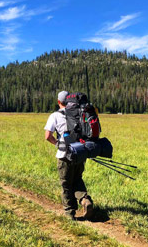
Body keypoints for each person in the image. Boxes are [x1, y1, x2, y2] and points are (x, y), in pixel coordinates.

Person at [44, 91, 94, 220]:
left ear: (59, 101)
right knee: (77, 179)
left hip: (64, 154)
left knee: (66, 184)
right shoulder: (79, 113)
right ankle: (84, 200)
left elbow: (48, 136)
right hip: (80, 152)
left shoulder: (55, 115)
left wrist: (56, 144)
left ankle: (69, 213)